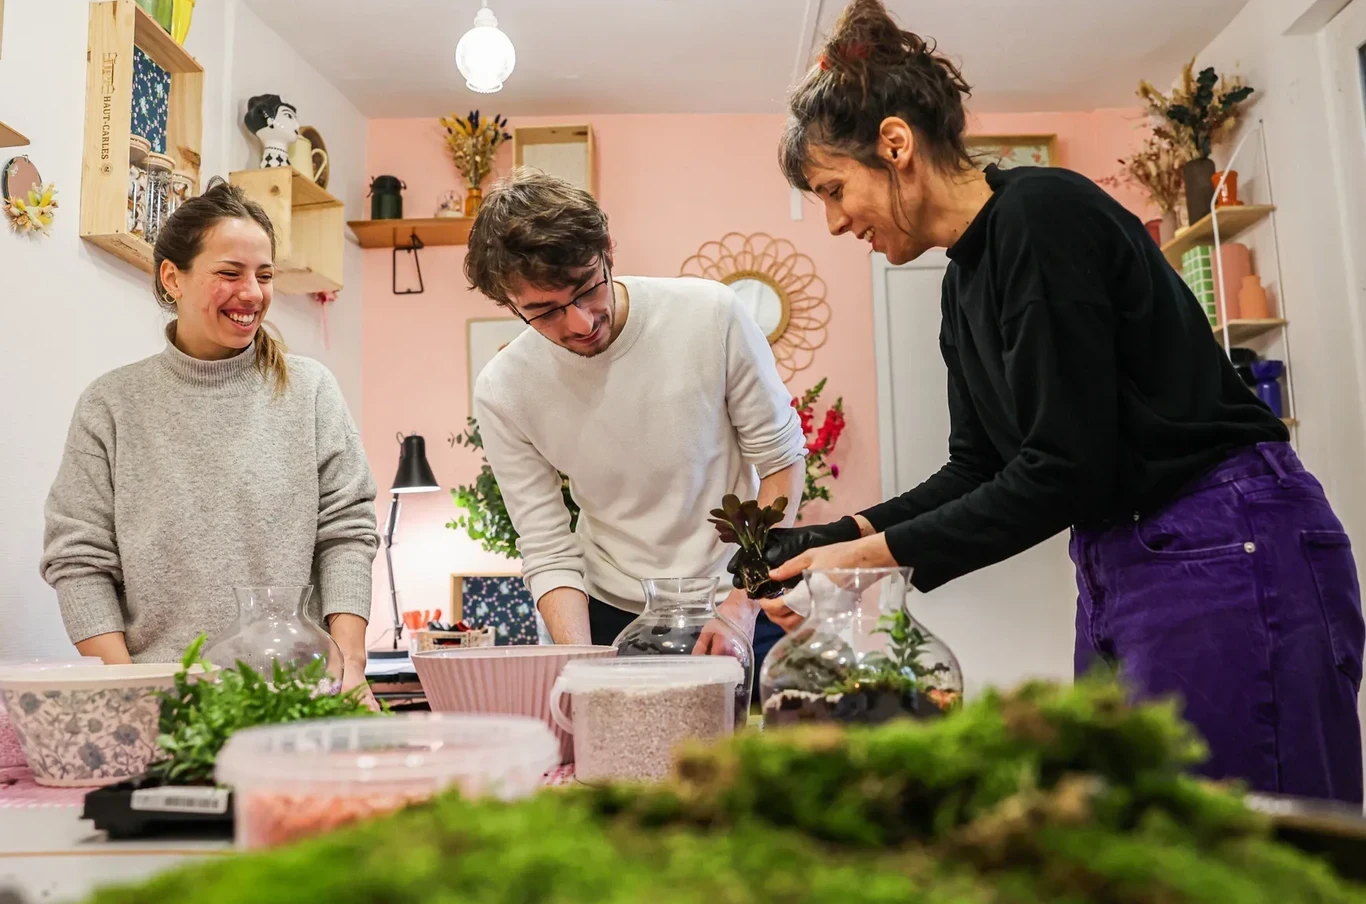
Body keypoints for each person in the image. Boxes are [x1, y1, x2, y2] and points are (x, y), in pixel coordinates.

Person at [741, 0, 1365, 805]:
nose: (832, 222)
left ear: (895, 145)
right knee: (1134, 834)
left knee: (1246, 840)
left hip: (1223, 538)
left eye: (833, 190)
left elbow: (1064, 466)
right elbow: (978, 467)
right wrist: (835, 536)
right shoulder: (963, 284)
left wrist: (860, 563)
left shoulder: (1042, 216)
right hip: (1120, 560)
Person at [40, 181, 379, 701]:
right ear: (172, 277)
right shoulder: (110, 404)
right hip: (161, 702)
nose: (252, 293)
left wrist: (349, 666)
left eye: (264, 275)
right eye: (229, 273)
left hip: (298, 699)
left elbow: (347, 533)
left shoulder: (310, 391)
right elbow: (78, 560)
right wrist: (128, 691)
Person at [465, 168, 805, 653]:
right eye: (545, 311)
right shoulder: (504, 389)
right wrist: (579, 659)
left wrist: (742, 605)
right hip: (612, 610)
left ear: (607, 251)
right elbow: (547, 545)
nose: (580, 322)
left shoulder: (710, 313)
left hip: (738, 591)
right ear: (509, 303)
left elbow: (780, 461)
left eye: (587, 288)